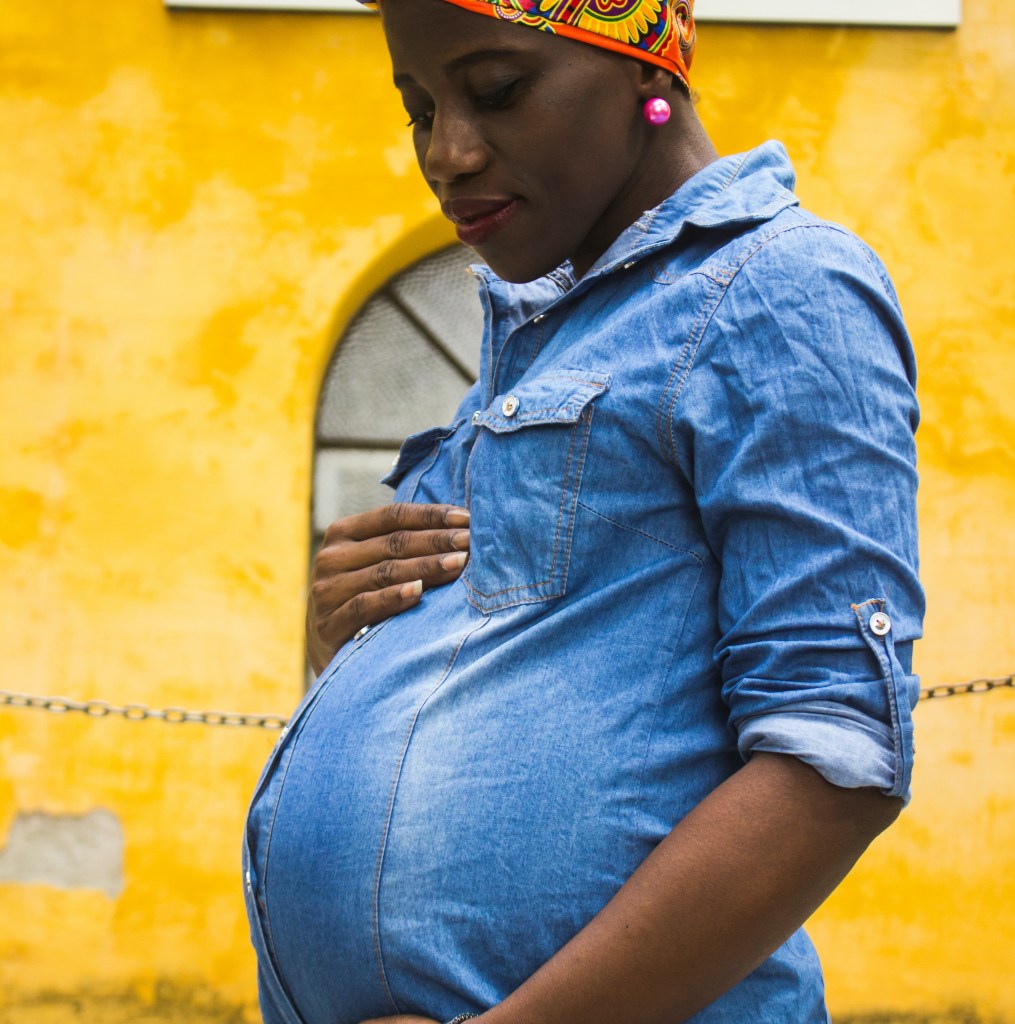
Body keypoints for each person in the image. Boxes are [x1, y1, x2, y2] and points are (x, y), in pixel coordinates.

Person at [243, 1, 924, 1022]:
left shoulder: (776, 287)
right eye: (418, 109)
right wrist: (355, 644)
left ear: (644, 64)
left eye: (497, 90)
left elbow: (834, 756)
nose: (446, 153)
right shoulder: (543, 340)